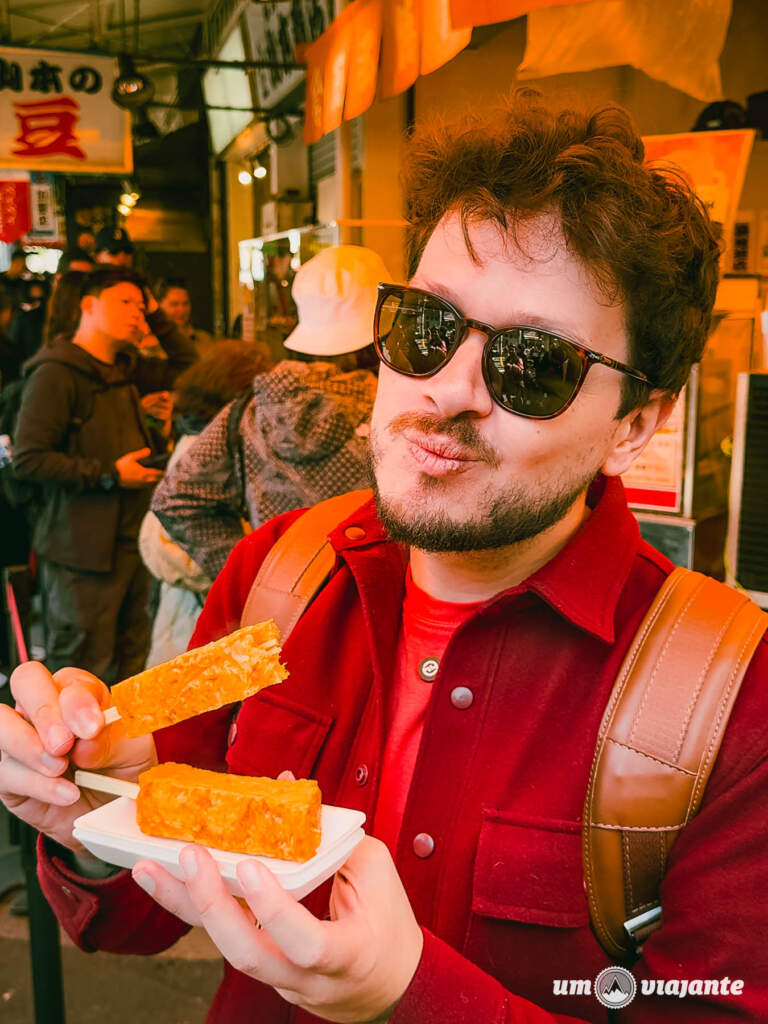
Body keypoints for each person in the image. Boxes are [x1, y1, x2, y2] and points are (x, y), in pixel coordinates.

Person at [1, 93, 766, 1024]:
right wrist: (87, 806)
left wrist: (412, 996)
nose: (445, 391)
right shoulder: (277, 573)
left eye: (532, 364)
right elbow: (140, 910)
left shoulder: (728, 699)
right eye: (427, 329)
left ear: (635, 426)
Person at [150, 245, 385, 580]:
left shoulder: (254, 406)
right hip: (377, 609)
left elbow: (176, 499)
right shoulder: (392, 407)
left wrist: (254, 577)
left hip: (280, 610)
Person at [11, 267, 196, 681]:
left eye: (142, 306)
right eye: (125, 303)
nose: (138, 315)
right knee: (81, 672)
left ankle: (124, 749)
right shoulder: (56, 373)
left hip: (132, 545)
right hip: (81, 553)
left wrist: (157, 314)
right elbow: (29, 458)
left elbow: (189, 364)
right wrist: (110, 475)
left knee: (135, 667)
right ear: (89, 306)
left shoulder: (124, 367)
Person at [139, 340, 272, 667]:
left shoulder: (200, 435)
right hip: (195, 615)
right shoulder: (210, 447)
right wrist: (244, 565)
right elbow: (162, 543)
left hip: (194, 612)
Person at [156, 277, 213, 351]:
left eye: (185, 304)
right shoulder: (151, 342)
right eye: (174, 304)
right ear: (159, 305)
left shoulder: (204, 340)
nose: (182, 310)